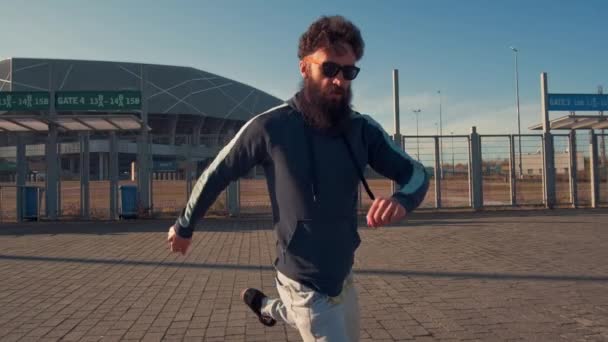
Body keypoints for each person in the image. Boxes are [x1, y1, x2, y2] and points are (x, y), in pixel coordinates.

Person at [167, 15, 429, 342]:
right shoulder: (270, 127)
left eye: (349, 72)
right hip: (303, 280)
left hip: (343, 276)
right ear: (304, 68)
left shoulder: (362, 129)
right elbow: (216, 172)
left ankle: (266, 307)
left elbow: (416, 173)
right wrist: (185, 225)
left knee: (312, 320)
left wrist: (402, 200)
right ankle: (279, 304)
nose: (340, 81)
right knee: (314, 318)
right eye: (330, 69)